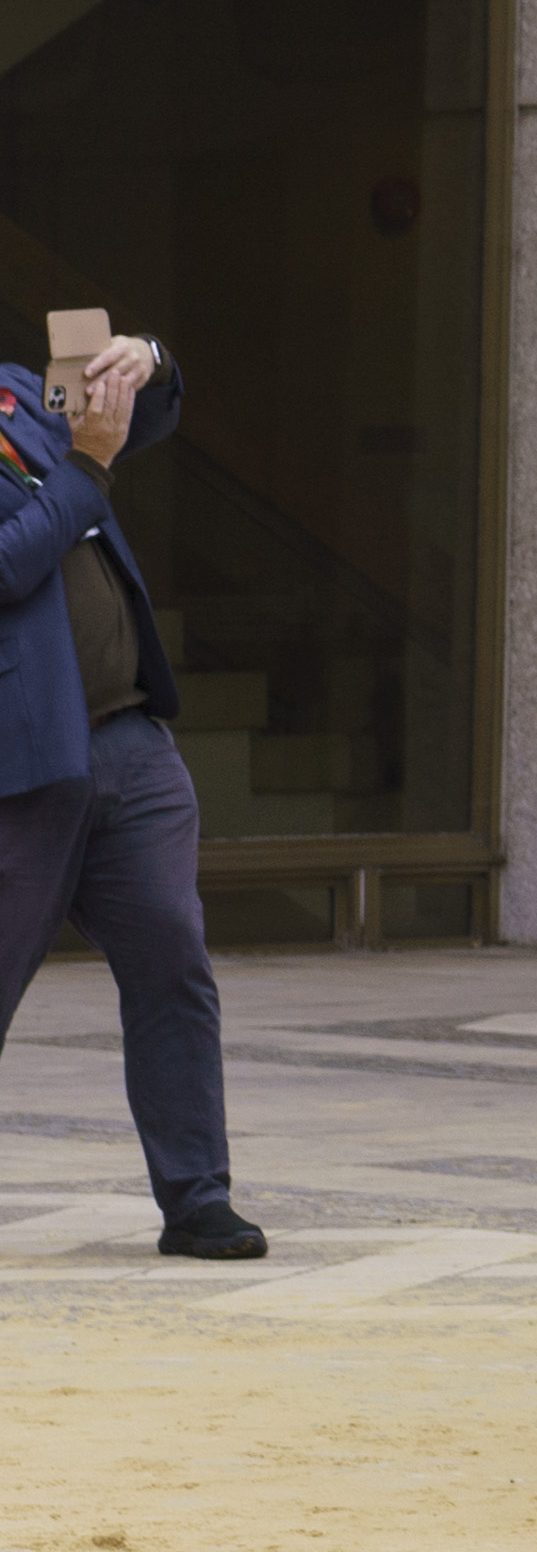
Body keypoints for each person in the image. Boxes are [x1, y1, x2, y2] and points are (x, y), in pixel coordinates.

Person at [0, 316, 251, 1257]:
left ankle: (197, 1200)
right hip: (18, 767)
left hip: (127, 743)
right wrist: (90, 469)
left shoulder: (17, 391)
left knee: (172, 963)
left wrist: (152, 362)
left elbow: (130, 425)